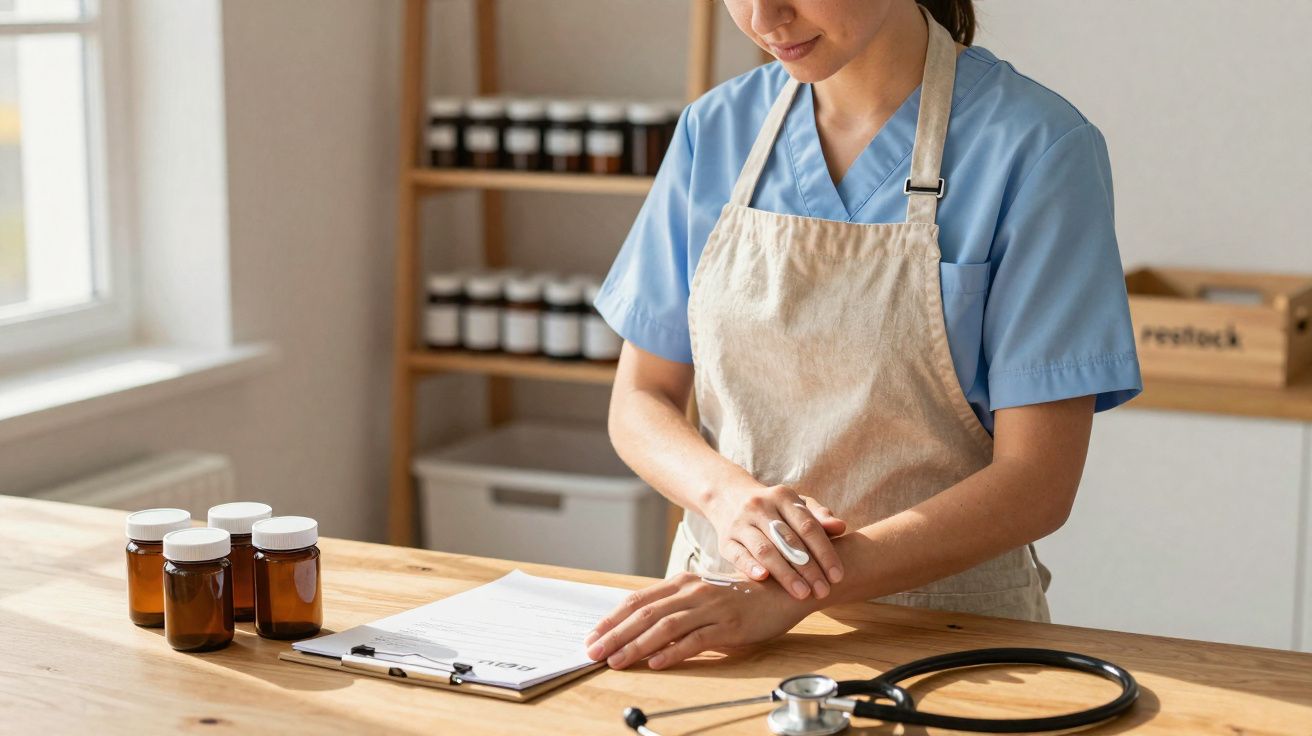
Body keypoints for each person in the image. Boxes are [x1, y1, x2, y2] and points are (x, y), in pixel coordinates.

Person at [585, 0, 1141, 672]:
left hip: (952, 645)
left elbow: (1037, 481)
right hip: (718, 620)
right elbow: (642, 397)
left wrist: (796, 586)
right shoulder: (718, 129)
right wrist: (725, 497)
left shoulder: (1036, 146)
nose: (765, 17)